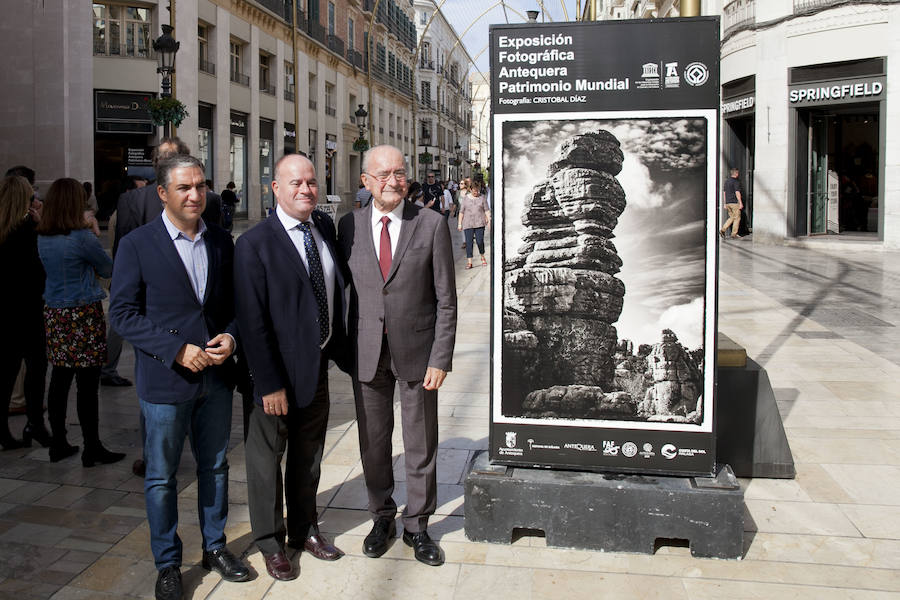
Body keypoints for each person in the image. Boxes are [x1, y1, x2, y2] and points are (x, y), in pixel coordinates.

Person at [109, 154, 248, 600]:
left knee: (216, 466)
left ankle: (215, 547)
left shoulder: (224, 242)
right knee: (161, 476)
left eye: (201, 186)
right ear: (162, 194)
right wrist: (174, 349)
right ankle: (168, 563)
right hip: (166, 382)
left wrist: (230, 336)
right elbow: (123, 314)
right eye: (185, 188)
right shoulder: (137, 245)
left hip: (217, 379)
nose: (195, 195)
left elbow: (236, 309)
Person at [337, 145, 457, 567]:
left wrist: (440, 357)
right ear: (366, 181)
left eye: (400, 172)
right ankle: (381, 517)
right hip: (367, 352)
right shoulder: (347, 225)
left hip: (418, 353)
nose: (393, 181)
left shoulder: (431, 224)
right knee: (373, 442)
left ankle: (418, 525)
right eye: (383, 174)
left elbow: (446, 298)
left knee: (420, 442)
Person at [234, 154, 348, 581]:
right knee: (267, 461)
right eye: (295, 182)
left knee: (309, 457)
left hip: (315, 366)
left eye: (312, 182)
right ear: (275, 189)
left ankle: (305, 530)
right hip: (274, 377)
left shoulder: (324, 228)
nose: (306, 189)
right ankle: (270, 541)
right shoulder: (254, 243)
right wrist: (269, 383)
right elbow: (251, 319)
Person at [36, 178, 125, 467]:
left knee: (60, 378)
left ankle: (59, 441)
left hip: (54, 311)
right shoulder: (81, 237)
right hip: (83, 312)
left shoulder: (42, 236)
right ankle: (92, 446)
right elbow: (107, 266)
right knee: (87, 383)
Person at [0, 175, 50, 450]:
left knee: (7, 372)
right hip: (28, 310)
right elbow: (40, 272)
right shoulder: (28, 230)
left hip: (5, 312)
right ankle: (36, 424)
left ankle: (4, 431)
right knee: (36, 368)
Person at [457, 178, 491, 269]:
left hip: (479, 223)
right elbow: (461, 212)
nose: (476, 192)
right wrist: (459, 223)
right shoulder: (465, 199)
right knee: (469, 243)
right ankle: (470, 262)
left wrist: (489, 221)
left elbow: (487, 210)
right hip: (468, 223)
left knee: (480, 241)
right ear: (470, 190)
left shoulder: (482, 197)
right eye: (475, 191)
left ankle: (482, 256)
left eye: (478, 190)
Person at [720, 167, 743, 239]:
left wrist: (724, 203)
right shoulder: (736, 181)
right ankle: (734, 234)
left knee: (732, 217)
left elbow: (724, 192)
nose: (738, 174)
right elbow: (737, 192)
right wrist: (740, 202)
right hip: (734, 202)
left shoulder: (726, 182)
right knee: (737, 218)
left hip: (728, 203)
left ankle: (723, 229)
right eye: (738, 173)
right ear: (736, 173)